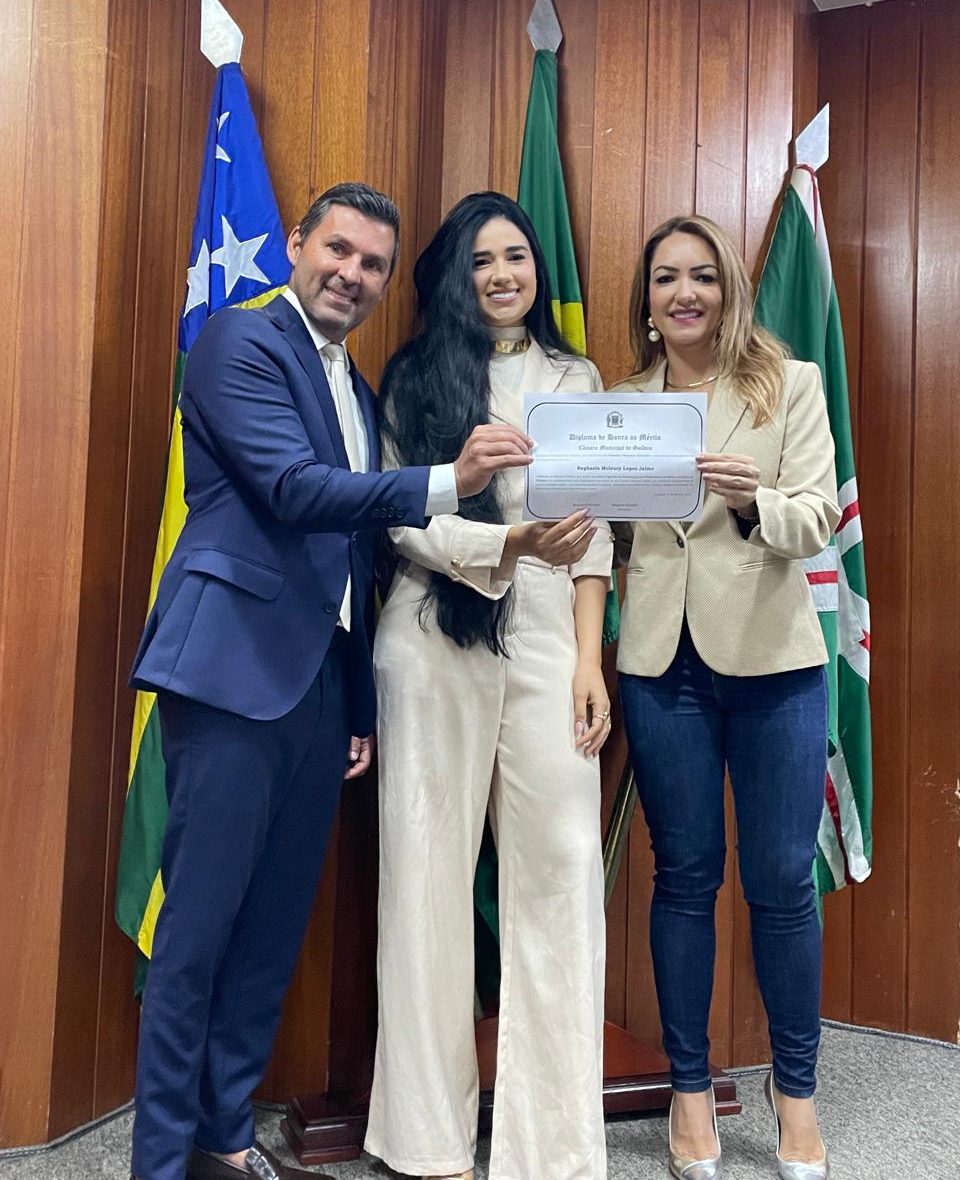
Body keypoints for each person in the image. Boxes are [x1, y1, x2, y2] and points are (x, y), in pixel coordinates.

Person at [127, 182, 534, 1180]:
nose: (352, 274)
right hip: (230, 675)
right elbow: (293, 490)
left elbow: (353, 558)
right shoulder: (240, 340)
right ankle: (158, 1162)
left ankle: (223, 1140)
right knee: (198, 933)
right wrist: (450, 481)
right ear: (297, 242)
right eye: (338, 250)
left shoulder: (354, 386)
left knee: (270, 934)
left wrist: (354, 702)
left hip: (316, 691)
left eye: (373, 264)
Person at [362, 192, 613, 1180]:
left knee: (562, 877)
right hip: (431, 637)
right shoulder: (413, 376)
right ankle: (427, 1139)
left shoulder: (575, 377)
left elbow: (596, 530)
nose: (503, 274)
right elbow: (398, 517)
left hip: (551, 642)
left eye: (516, 255)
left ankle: (554, 1146)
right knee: (423, 882)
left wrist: (589, 659)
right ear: (452, 277)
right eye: (480, 260)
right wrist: (504, 541)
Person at [613, 215, 839, 1180]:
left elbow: (818, 517)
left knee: (783, 881)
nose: (685, 293)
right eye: (667, 278)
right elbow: (606, 534)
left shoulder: (790, 384)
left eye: (703, 276)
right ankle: (690, 1092)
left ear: (730, 290)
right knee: (685, 876)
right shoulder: (621, 402)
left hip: (774, 664)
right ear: (647, 300)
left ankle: (798, 1096)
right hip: (661, 665)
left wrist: (754, 501)